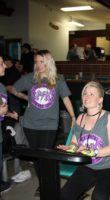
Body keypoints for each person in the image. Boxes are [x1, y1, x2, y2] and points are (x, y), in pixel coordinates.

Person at [7, 50, 76, 196]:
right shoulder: (29, 78)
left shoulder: (57, 79)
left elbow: (66, 99)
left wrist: (73, 117)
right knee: (37, 157)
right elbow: (12, 88)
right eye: (36, 62)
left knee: (46, 155)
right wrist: (26, 97)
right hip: (30, 123)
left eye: (41, 61)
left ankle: (50, 183)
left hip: (49, 124)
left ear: (48, 62)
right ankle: (42, 183)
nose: (38, 65)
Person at [57, 81, 110, 200]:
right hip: (87, 165)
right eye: (84, 94)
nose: (86, 97)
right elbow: (74, 142)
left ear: (100, 100)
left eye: (91, 94)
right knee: (64, 195)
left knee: (98, 197)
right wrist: (71, 148)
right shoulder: (80, 118)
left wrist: (93, 152)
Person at [0, 55, 19, 196]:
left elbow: (2, 108)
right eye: (1, 64)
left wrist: (8, 113)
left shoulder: (1, 86)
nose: (5, 66)